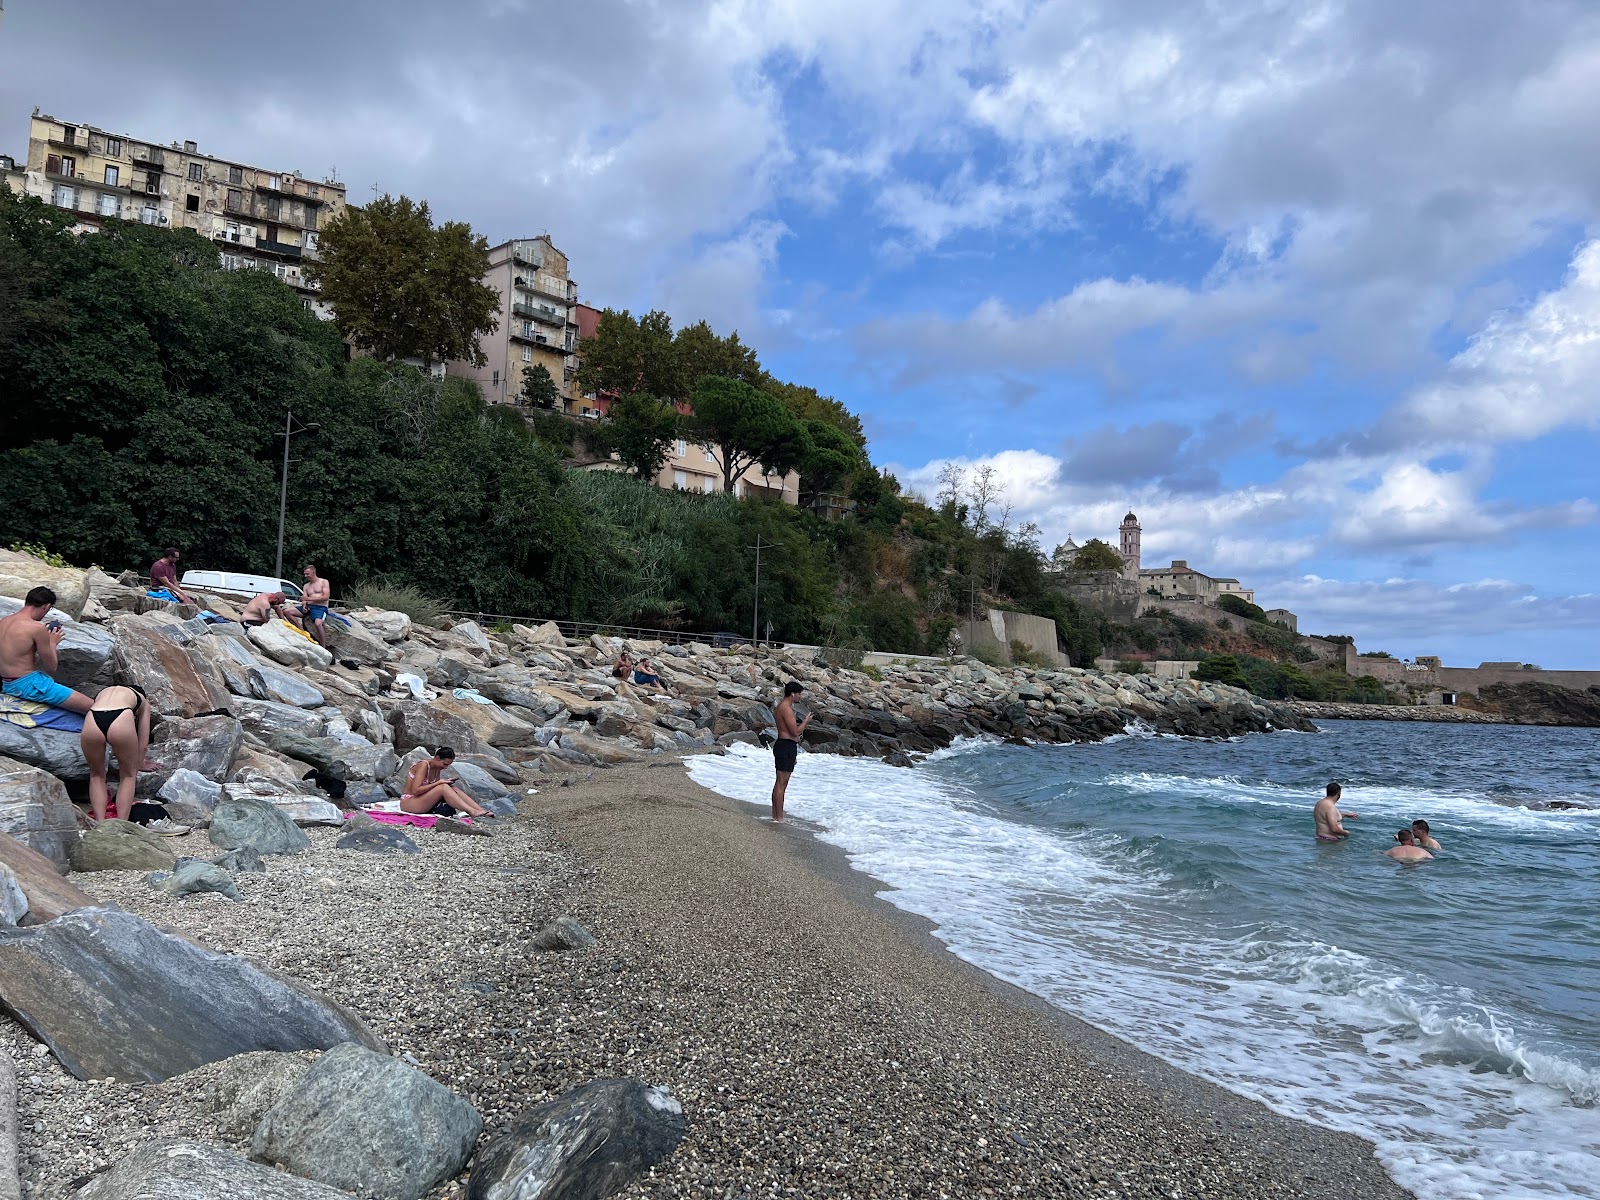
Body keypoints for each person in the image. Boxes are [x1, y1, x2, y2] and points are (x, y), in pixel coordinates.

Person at [79, 684, 183, 830]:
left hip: (93, 716)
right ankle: (122, 825)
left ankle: (99, 826)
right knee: (128, 776)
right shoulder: (142, 701)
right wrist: (140, 763)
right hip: (121, 716)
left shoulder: (105, 692)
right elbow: (143, 741)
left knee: (97, 775)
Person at [0, 587, 93, 714]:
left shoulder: (4, 621)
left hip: (7, 683)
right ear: (46, 606)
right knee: (93, 707)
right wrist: (52, 642)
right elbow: (51, 667)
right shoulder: (36, 628)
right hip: (29, 685)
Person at [399, 747, 494, 819]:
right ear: (437, 758)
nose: (445, 767)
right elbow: (415, 790)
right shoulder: (423, 765)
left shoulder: (436, 768)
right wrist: (438, 783)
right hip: (409, 803)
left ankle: (479, 810)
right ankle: (471, 811)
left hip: (420, 800)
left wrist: (445, 783)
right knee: (442, 787)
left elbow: (432, 789)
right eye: (445, 764)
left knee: (452, 787)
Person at [770, 681, 811, 822]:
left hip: (785, 745)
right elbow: (795, 731)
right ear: (793, 694)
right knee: (782, 783)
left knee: (780, 783)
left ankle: (776, 815)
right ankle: (779, 817)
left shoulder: (783, 707)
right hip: (786, 745)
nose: (800, 697)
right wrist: (805, 722)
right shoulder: (786, 708)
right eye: (799, 694)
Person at [293, 563, 331, 646]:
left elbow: (325, 597)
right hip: (309, 606)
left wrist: (308, 599)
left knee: (318, 624)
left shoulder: (323, 582)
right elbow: (304, 599)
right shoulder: (306, 586)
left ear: (313, 573)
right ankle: (302, 632)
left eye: (307, 574)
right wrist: (304, 605)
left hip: (320, 607)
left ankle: (323, 645)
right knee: (287, 611)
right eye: (305, 574)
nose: (306, 576)